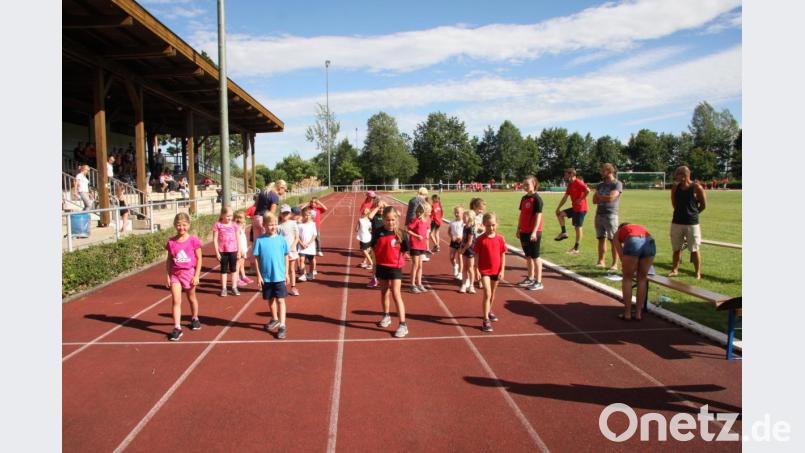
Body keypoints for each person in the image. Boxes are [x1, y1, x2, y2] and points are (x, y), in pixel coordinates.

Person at [372, 206, 410, 338]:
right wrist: (374, 266)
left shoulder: (401, 233)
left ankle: (403, 324)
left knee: (396, 293)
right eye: (387, 220)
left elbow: (405, 250)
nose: (390, 222)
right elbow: (374, 249)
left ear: (397, 219)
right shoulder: (378, 232)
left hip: (395, 267)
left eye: (393, 220)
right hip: (382, 266)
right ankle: (386, 316)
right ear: (383, 219)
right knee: (384, 292)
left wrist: (398, 259)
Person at [164, 213, 203, 341]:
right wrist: (168, 276)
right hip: (176, 274)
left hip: (189, 274)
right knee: (176, 301)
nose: (181, 228)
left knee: (191, 298)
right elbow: (169, 260)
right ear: (175, 225)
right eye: (179, 225)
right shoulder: (171, 242)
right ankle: (177, 327)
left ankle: (195, 318)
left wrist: (197, 275)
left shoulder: (193, 240)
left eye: (184, 225)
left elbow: (199, 258)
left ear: (189, 225)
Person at [253, 212, 291, 339]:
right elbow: (257, 259)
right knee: (270, 299)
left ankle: (282, 325)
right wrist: (258, 275)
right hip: (266, 277)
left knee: (281, 300)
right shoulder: (259, 241)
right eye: (270, 225)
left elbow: (286, 256)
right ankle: (274, 318)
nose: (273, 227)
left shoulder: (282, 240)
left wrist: (286, 273)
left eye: (275, 224)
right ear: (264, 225)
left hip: (279, 276)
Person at [669, 166, 706, 279]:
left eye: (678, 175)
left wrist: (693, 214)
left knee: (694, 249)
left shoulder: (697, 188)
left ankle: (697, 272)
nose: (676, 177)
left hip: (692, 224)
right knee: (676, 248)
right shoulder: (675, 187)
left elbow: (703, 206)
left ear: (685, 175)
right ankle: (675, 269)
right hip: (677, 222)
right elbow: (674, 203)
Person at [613, 223, 655, 321]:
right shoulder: (637, 227)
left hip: (634, 241)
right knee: (642, 279)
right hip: (649, 241)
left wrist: (628, 266)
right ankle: (638, 314)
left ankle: (627, 313)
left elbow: (621, 256)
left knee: (627, 278)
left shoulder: (618, 233)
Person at [474, 213, 507, 332]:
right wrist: (476, 270)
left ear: (496, 224)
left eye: (493, 225)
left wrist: (502, 270)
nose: (491, 228)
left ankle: (489, 310)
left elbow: (502, 255)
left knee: (492, 294)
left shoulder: (500, 239)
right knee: (487, 293)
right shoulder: (480, 239)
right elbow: (476, 255)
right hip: (484, 270)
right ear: (484, 225)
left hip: (496, 270)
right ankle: (485, 319)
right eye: (488, 226)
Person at [592, 163, 623, 271]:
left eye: (603, 170)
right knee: (601, 238)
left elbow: (611, 198)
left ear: (609, 171)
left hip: (611, 215)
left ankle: (615, 264)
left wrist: (600, 197)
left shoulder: (617, 184)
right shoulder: (600, 185)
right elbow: (593, 200)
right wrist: (602, 197)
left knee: (613, 240)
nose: (601, 172)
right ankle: (601, 261)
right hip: (599, 214)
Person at [517, 175, 545, 291]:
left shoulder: (537, 199)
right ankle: (530, 277)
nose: (525, 186)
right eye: (524, 184)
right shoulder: (524, 198)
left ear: (534, 184)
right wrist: (518, 228)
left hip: (534, 232)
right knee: (528, 256)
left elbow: (539, 216)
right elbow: (522, 214)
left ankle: (538, 281)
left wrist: (534, 232)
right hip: (524, 231)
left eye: (528, 184)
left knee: (535, 257)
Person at [554, 168, 590, 254]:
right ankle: (564, 233)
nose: (564, 176)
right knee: (560, 214)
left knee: (577, 228)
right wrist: (558, 208)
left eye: (565, 174)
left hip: (581, 209)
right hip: (574, 208)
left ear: (571, 175)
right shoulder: (570, 185)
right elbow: (565, 197)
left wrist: (581, 199)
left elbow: (588, 190)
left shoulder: (578, 182)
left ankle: (576, 249)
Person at [213, 207, 242, 297]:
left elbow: (238, 238)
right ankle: (224, 288)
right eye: (228, 216)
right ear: (222, 215)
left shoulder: (234, 225)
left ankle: (234, 287)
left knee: (234, 269)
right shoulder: (217, 225)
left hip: (233, 250)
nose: (230, 217)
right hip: (223, 251)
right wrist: (217, 252)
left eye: (231, 216)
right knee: (223, 270)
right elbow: (214, 239)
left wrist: (239, 251)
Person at [407, 202, 431, 293]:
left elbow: (427, 231)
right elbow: (408, 230)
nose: (430, 213)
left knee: (420, 266)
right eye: (429, 211)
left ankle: (419, 284)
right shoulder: (416, 220)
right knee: (415, 265)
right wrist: (417, 236)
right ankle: (412, 285)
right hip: (415, 245)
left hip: (422, 246)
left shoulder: (427, 221)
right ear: (424, 211)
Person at [278, 204, 301, 296]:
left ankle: (293, 287)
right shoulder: (278, 225)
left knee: (291, 269)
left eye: (287, 213)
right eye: (284, 213)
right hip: (281, 251)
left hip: (291, 250)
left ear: (290, 214)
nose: (285, 215)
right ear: (280, 214)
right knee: (283, 269)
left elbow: (297, 237)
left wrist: (292, 247)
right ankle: (282, 286)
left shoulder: (293, 223)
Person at [366, 198, 387, 288]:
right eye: (380, 208)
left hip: (386, 243)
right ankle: (374, 279)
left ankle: (384, 278)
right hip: (376, 243)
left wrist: (385, 204)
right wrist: (377, 207)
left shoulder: (387, 216)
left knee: (385, 261)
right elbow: (370, 216)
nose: (381, 210)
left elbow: (397, 213)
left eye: (382, 208)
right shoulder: (374, 216)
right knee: (376, 263)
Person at [296, 207, 318, 282]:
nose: (307, 216)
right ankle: (303, 274)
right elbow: (297, 236)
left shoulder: (313, 224)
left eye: (309, 215)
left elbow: (314, 235)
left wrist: (309, 243)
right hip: (302, 246)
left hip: (310, 247)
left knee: (311, 260)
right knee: (302, 260)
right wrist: (301, 244)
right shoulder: (299, 225)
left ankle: (311, 273)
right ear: (302, 215)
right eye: (305, 215)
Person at [459, 210, 478, 294]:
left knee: (470, 268)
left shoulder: (471, 229)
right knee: (464, 268)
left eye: (464, 217)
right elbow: (463, 239)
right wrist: (460, 247)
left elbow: (470, 242)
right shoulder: (465, 227)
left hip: (470, 250)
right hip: (464, 249)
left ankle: (471, 285)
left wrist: (463, 249)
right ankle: (463, 284)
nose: (463, 218)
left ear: (470, 218)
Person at [234, 211, 253, 288]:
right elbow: (237, 240)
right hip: (239, 248)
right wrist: (240, 249)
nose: (238, 220)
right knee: (237, 265)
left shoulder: (242, 226)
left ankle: (243, 276)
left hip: (243, 247)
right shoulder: (235, 228)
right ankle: (237, 279)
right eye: (236, 218)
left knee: (242, 264)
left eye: (240, 218)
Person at [448, 205, 465, 279]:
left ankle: (460, 273)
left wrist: (461, 238)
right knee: (451, 257)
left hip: (461, 242)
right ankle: (455, 266)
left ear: (462, 213)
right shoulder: (452, 222)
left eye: (458, 212)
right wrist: (452, 236)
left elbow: (465, 233)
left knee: (460, 257)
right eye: (455, 212)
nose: (456, 214)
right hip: (453, 241)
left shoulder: (463, 222)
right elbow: (449, 231)